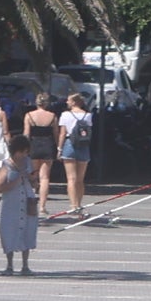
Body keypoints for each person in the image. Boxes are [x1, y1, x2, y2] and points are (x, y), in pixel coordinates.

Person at [0, 132, 44, 273]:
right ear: (15, 151)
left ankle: (25, 265)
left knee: (28, 231)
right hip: (11, 203)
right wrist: (17, 179)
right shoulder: (6, 165)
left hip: (27, 201)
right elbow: (1, 187)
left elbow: (35, 185)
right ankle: (9, 265)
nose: (24, 154)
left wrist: (32, 179)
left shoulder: (28, 162)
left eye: (26, 152)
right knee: (9, 231)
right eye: (22, 152)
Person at [56, 90, 93, 218]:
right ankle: (78, 204)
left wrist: (59, 149)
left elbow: (62, 133)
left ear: (74, 102)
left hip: (69, 144)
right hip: (83, 146)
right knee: (80, 179)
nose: (67, 102)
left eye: (68, 100)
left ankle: (73, 206)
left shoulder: (65, 115)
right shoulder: (88, 115)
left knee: (71, 178)